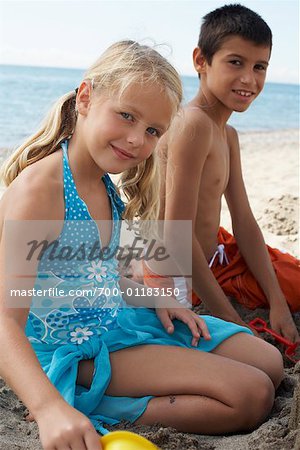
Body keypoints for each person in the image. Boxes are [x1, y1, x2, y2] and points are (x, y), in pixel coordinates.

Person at [0, 40, 283, 450]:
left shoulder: (101, 181)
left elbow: (86, 282)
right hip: (73, 350)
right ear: (85, 97)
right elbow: (6, 319)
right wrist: (47, 409)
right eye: (126, 116)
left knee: (269, 363)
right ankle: (91, 402)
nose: (136, 140)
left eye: (152, 130)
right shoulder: (41, 192)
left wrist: (153, 299)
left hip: (115, 319)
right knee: (251, 394)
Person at [143, 4, 300, 343]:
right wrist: (232, 321)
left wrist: (278, 304)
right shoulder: (193, 125)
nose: (249, 79)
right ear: (201, 60)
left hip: (212, 259)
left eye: (259, 67)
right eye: (235, 62)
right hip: (175, 271)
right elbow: (176, 238)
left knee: (292, 283)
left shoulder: (227, 135)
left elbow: (244, 219)